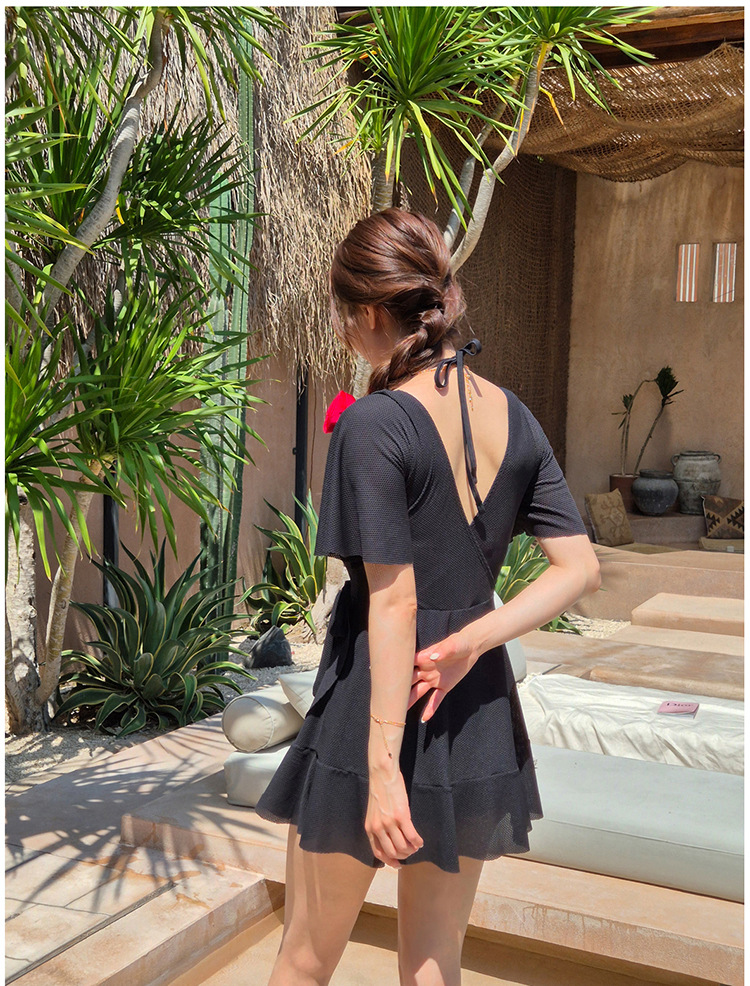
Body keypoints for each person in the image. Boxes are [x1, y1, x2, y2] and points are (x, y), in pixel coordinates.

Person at [255, 208, 601, 986]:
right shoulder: (514, 416)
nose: (342, 331)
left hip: (374, 708)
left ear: (374, 311)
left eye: (344, 312)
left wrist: (383, 766)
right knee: (434, 960)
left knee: (304, 960)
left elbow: (393, 604)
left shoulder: (375, 425)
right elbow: (578, 570)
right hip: (471, 704)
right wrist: (473, 641)